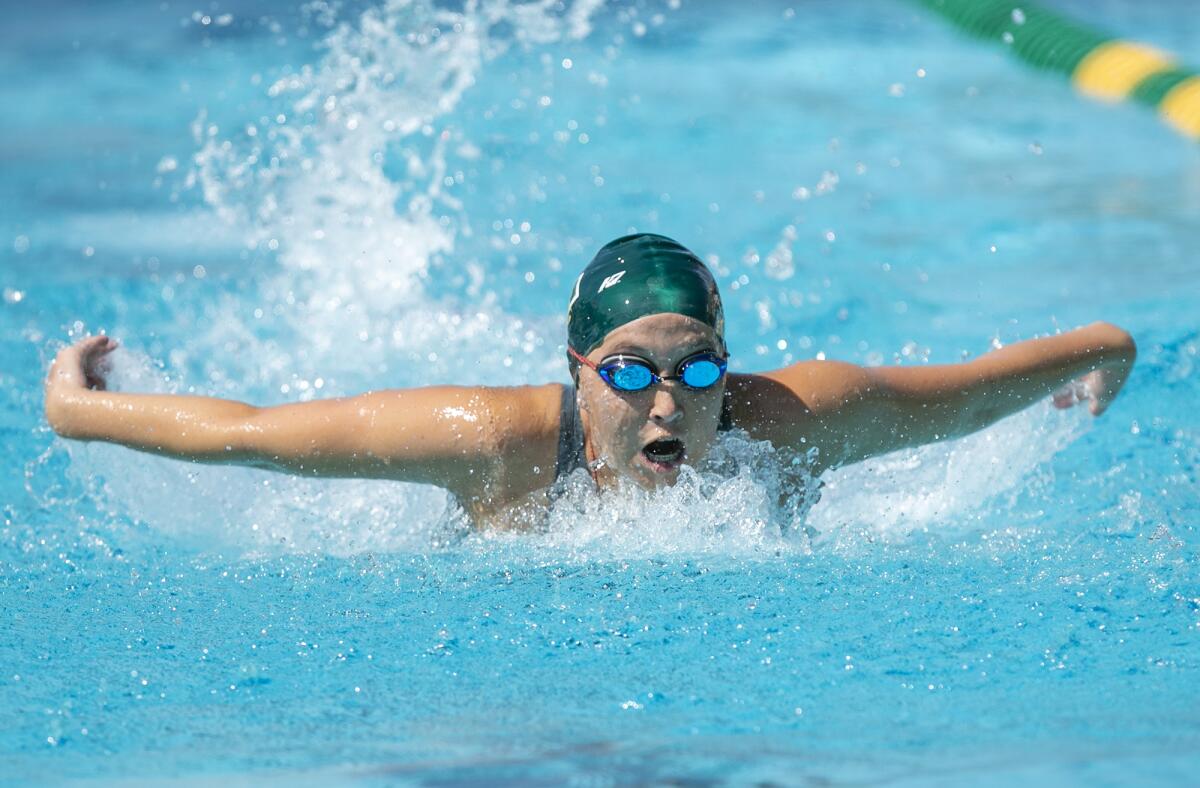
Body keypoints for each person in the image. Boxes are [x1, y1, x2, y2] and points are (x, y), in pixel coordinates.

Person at [44, 233, 1136, 528]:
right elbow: (254, 432)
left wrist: (1102, 344)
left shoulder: (793, 417)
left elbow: (969, 391)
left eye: (698, 366)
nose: (670, 402)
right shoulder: (495, 438)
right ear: (576, 368)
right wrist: (79, 412)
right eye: (630, 372)